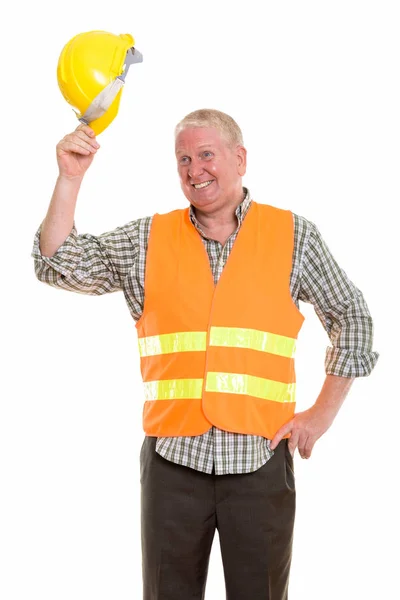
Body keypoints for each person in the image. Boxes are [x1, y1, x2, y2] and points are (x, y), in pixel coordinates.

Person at [32, 108, 379, 600]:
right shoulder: (148, 239)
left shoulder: (294, 235)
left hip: (260, 463)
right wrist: (69, 179)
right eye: (183, 160)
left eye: (207, 155)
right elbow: (57, 263)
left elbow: (355, 320)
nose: (195, 170)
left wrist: (322, 415)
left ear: (240, 159)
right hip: (172, 465)